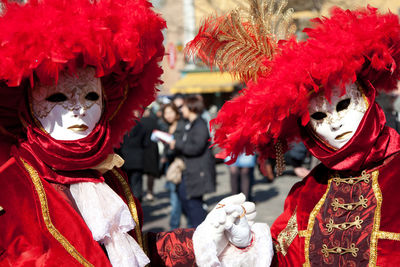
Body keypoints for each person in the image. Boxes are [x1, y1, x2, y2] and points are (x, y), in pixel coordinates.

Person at [188, 1, 400, 265]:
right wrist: (245, 246)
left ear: (368, 98)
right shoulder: (309, 191)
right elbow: (285, 257)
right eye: (319, 116)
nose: (334, 124)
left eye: (344, 105)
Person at [168, 96, 216, 228]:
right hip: (190, 170)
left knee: (194, 206)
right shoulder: (190, 124)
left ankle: (200, 233)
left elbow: (196, 148)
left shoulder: (200, 124)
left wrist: (177, 144)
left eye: (183, 107)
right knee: (186, 199)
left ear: (191, 107)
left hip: (197, 171)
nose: (181, 110)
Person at [161, 102, 186, 229]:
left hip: (180, 165)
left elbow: (183, 146)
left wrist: (173, 145)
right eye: (166, 113)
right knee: (174, 195)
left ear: (176, 113)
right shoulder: (167, 127)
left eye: (171, 112)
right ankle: (176, 225)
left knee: (177, 197)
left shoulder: (182, 125)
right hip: (170, 164)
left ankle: (174, 227)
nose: (168, 115)